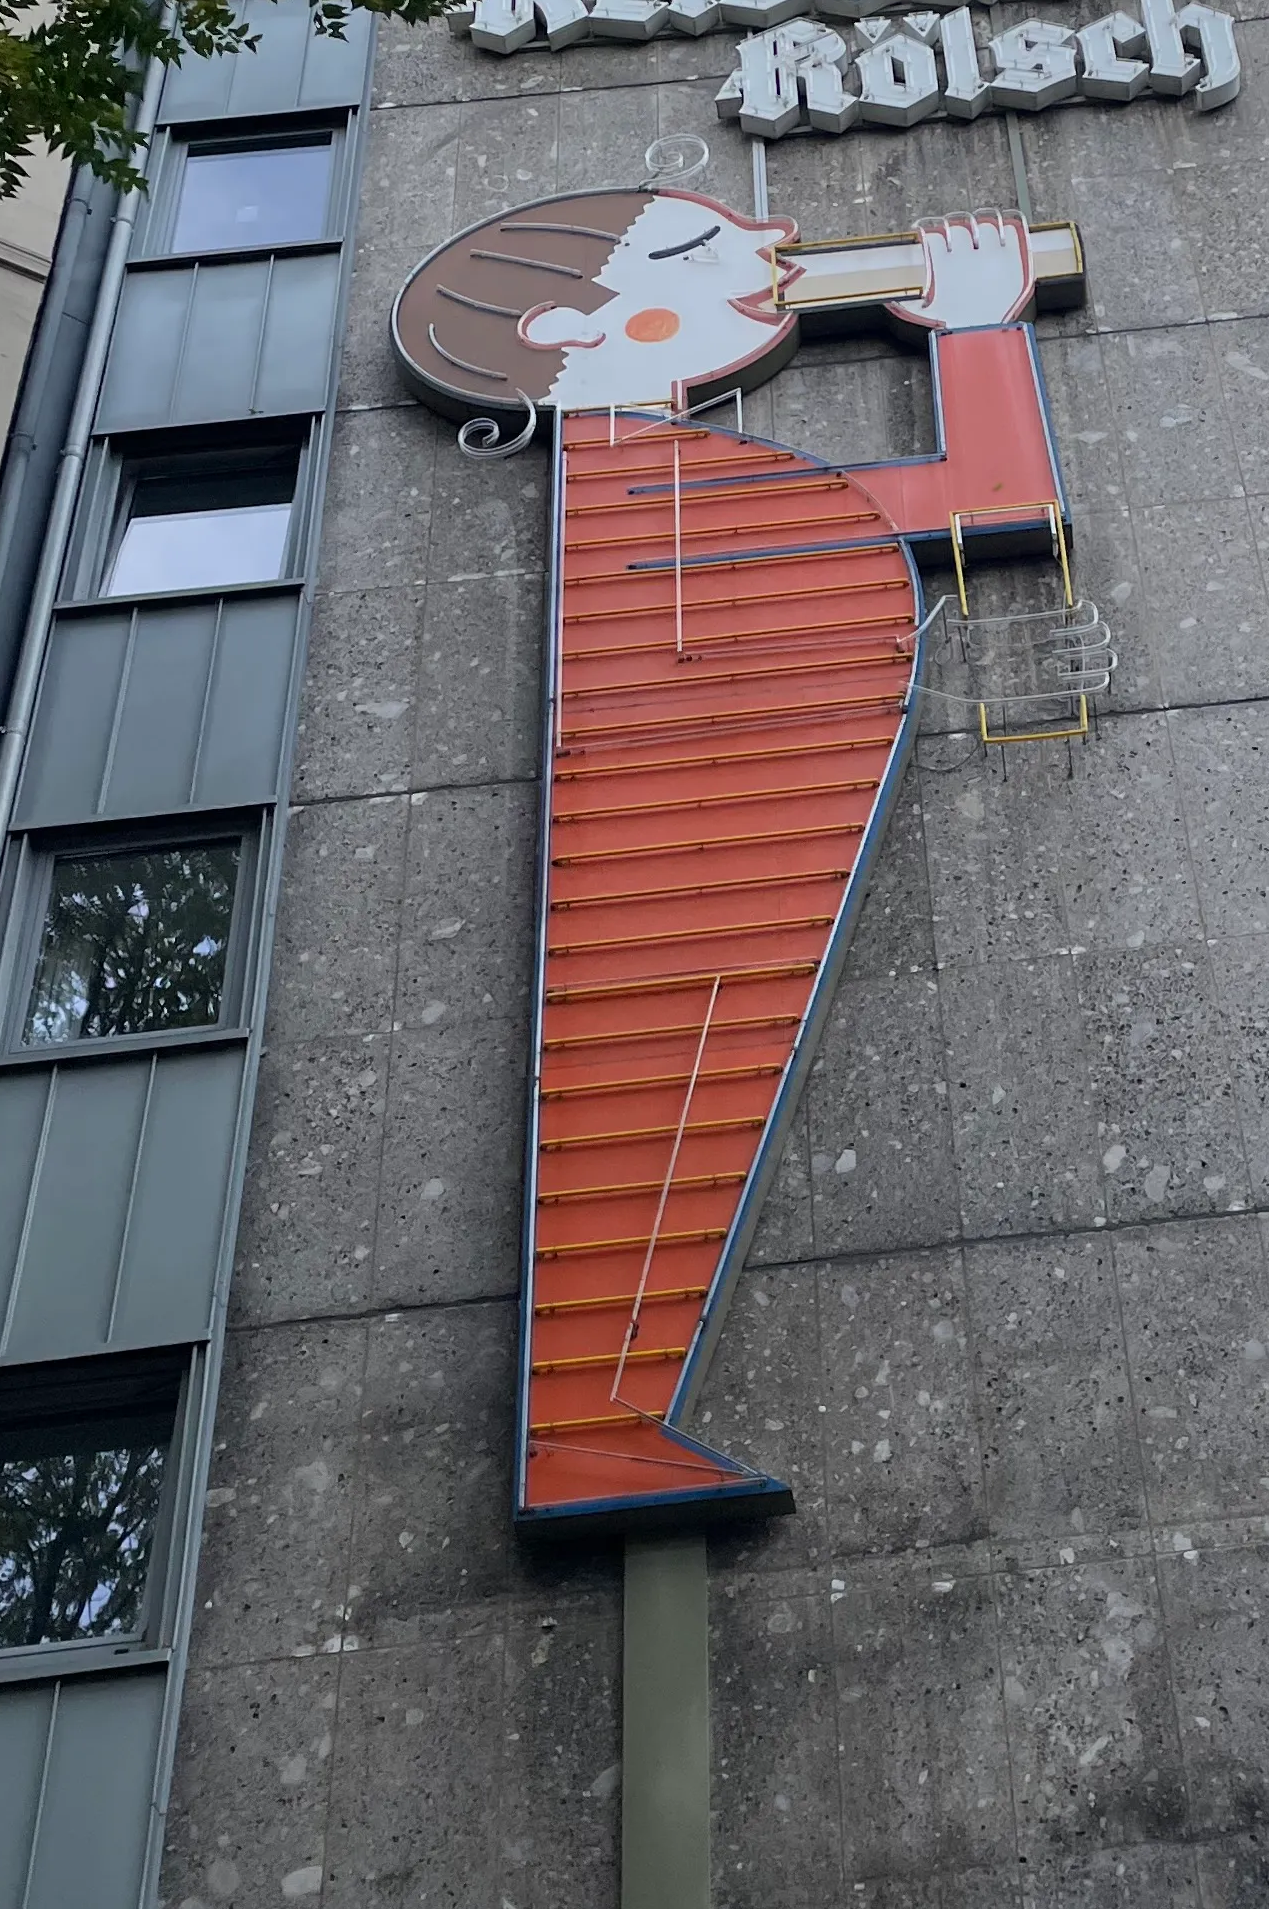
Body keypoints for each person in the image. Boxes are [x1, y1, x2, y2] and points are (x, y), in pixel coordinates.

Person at [391, 186, 1076, 1526]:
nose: (774, 244)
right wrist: (982, 333)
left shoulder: (682, 487)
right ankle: (589, 1423)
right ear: (571, 327)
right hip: (681, 841)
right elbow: (994, 494)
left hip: (711, 824)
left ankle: (598, 1419)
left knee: (682, 1085)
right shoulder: (662, 493)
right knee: (666, 1085)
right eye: (699, 249)